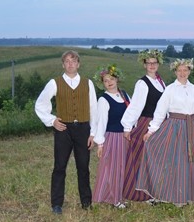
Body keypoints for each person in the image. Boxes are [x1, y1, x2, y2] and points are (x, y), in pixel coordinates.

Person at [137, 59, 194, 205]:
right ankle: (174, 195)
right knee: (177, 162)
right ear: (175, 72)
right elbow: (160, 111)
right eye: (179, 70)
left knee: (192, 161)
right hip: (175, 128)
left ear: (189, 71)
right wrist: (152, 130)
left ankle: (190, 194)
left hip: (193, 127)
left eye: (185, 70)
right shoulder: (170, 89)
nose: (182, 73)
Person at [35, 50, 97, 213]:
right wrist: (52, 120)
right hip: (64, 129)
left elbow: (94, 109)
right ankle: (56, 204)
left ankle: (86, 202)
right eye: (67, 61)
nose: (70, 64)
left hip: (83, 128)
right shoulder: (54, 83)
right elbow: (40, 104)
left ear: (78, 64)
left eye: (73, 61)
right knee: (59, 166)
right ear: (63, 65)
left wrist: (93, 133)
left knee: (83, 167)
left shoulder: (87, 83)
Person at [120, 49, 166, 201]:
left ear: (158, 64)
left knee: (157, 160)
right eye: (149, 63)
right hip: (146, 123)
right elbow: (135, 106)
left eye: (154, 62)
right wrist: (128, 127)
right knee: (143, 159)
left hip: (160, 124)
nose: (152, 65)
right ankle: (142, 194)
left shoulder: (161, 82)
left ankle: (156, 192)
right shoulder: (142, 83)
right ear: (144, 65)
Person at [92, 64, 131, 209]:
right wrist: (100, 144)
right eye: (105, 80)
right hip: (113, 138)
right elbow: (100, 122)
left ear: (117, 79)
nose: (109, 82)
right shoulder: (104, 100)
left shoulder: (125, 95)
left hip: (126, 137)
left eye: (111, 78)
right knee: (113, 168)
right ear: (102, 84)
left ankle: (120, 195)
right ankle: (115, 199)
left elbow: (132, 114)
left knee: (123, 168)